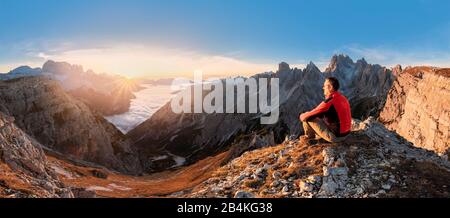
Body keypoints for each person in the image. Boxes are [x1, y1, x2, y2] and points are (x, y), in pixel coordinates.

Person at [299, 77, 351, 143]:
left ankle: (309, 138)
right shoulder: (343, 98)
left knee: (307, 118)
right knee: (315, 117)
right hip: (346, 134)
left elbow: (309, 115)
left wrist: (302, 115)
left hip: (336, 137)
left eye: (324, 86)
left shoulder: (330, 101)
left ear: (330, 87)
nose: (323, 88)